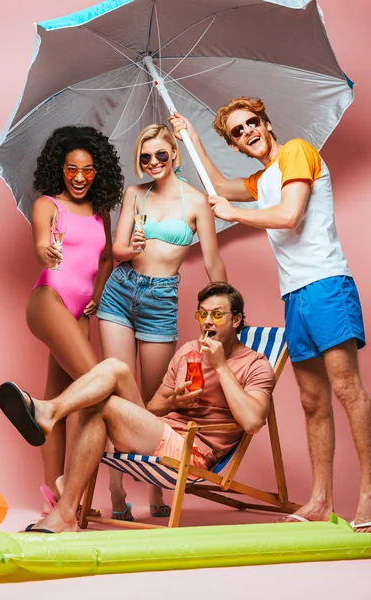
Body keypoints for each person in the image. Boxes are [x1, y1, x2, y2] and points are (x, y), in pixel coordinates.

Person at [169, 98, 371, 533]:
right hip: (295, 295)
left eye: (252, 123)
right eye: (238, 132)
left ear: (266, 121)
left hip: (326, 285)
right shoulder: (263, 179)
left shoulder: (297, 151)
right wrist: (192, 139)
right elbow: (220, 185)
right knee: (312, 401)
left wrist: (234, 213)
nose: (248, 133)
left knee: (346, 389)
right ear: (237, 145)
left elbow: (289, 214)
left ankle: (370, 497)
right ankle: (320, 501)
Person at [0, 282, 275, 533]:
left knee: (98, 407)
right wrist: (174, 401)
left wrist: (220, 366)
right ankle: (50, 414)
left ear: (236, 320)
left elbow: (252, 422)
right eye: (202, 314)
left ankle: (64, 502)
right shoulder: (188, 352)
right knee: (116, 367)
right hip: (159, 431)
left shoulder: (256, 364)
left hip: (192, 453)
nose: (207, 321)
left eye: (217, 314)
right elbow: (152, 407)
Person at [96, 124, 227, 520]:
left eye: (160, 155)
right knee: (116, 387)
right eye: (145, 157)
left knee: (157, 398)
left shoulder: (198, 202)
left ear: (175, 154)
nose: (152, 162)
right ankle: (117, 489)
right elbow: (117, 248)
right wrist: (130, 246)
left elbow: (211, 261)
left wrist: (226, 307)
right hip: (121, 290)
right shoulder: (136, 194)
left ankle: (156, 488)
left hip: (159, 300)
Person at [27, 125, 124, 514]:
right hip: (48, 302)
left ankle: (55, 496)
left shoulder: (101, 211)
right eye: (71, 169)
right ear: (60, 169)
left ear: (98, 170)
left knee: (64, 402)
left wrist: (97, 296)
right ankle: (70, 491)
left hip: (80, 313)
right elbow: (39, 242)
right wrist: (45, 252)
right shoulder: (48, 205)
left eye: (87, 169)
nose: (80, 177)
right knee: (98, 387)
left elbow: (104, 260)